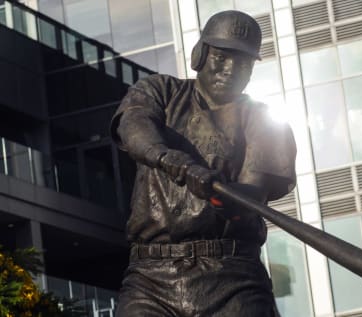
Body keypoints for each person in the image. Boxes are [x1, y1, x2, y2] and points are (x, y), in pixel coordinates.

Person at [110, 10, 296, 317]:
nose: (230, 69)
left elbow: (253, 194)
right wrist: (172, 160)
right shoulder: (160, 91)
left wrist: (222, 197)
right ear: (200, 54)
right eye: (221, 57)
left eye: (243, 62)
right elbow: (133, 125)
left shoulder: (263, 118)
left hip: (231, 275)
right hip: (151, 276)